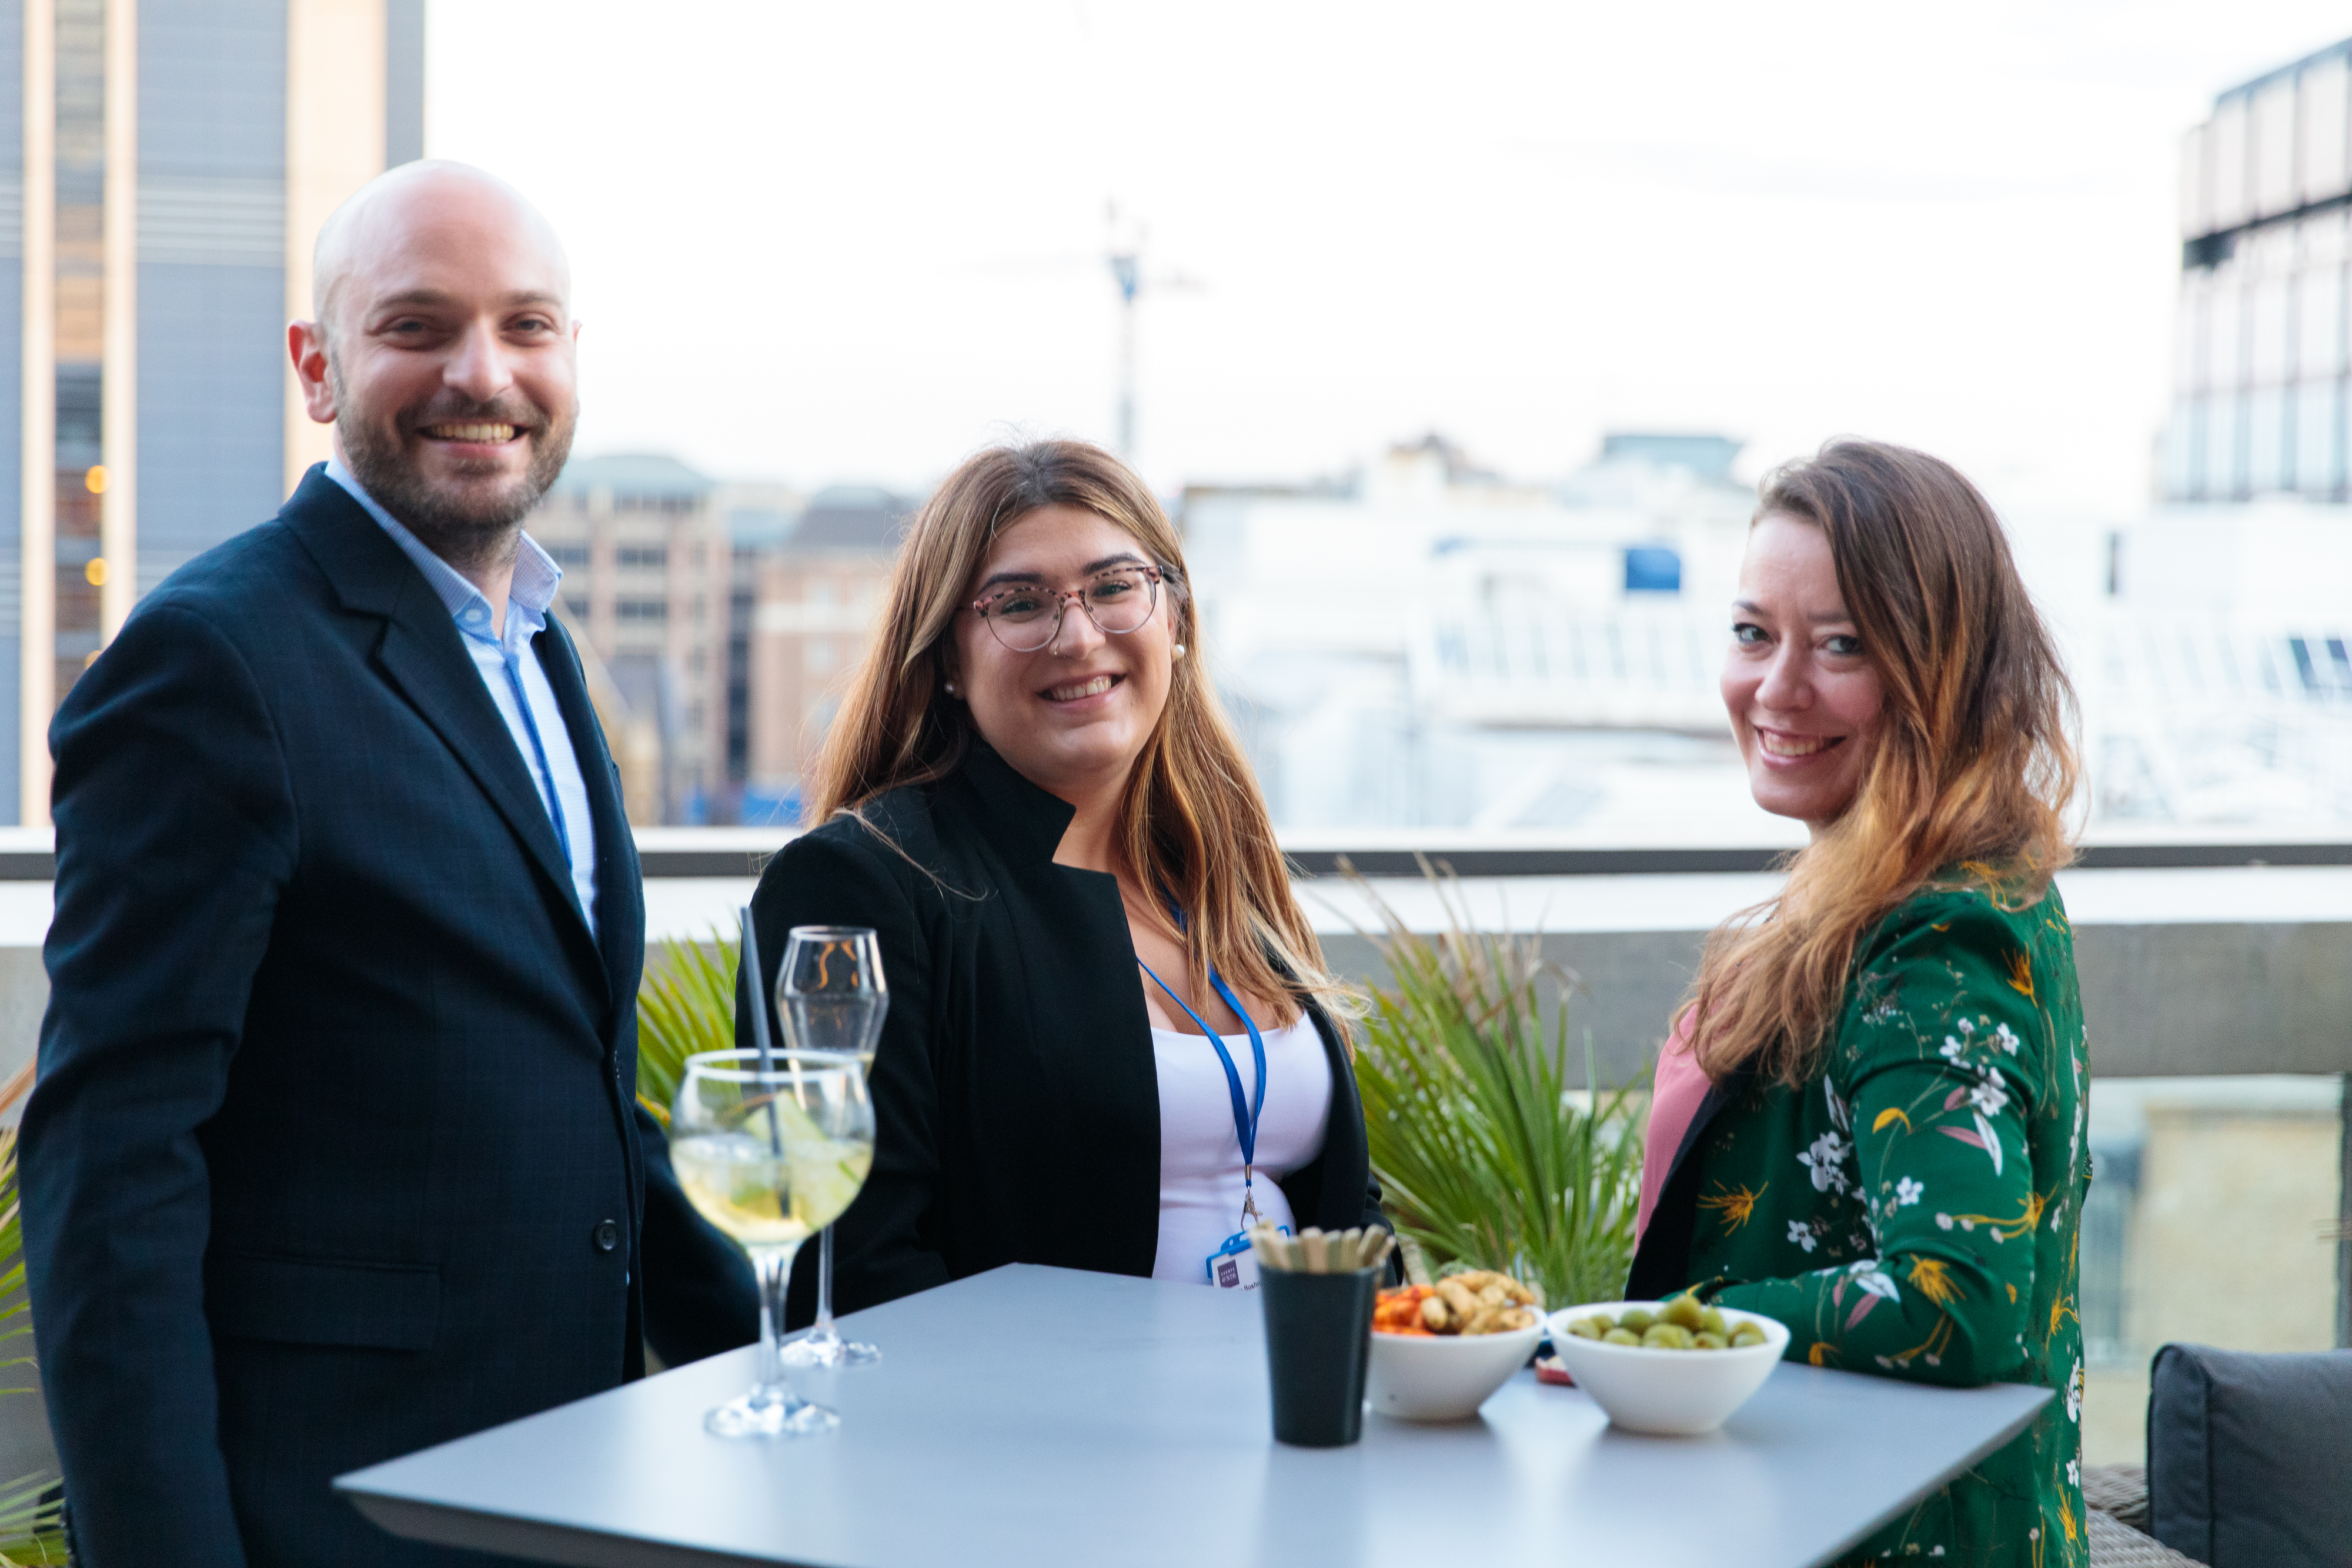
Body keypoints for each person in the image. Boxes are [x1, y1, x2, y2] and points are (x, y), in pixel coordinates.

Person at [21, 162, 757, 1567]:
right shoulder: (212, 660)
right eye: (418, 325)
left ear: (571, 355)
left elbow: (578, 1088)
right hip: (336, 1512)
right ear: (319, 366)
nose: (483, 373)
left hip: (564, 1491)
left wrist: (781, 1360)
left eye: (526, 325)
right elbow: (111, 1164)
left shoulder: (536, 646)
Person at [741, 440, 1385, 1321]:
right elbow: (852, 1273)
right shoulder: (859, 885)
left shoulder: (1216, 859)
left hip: (1300, 1394)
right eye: (1019, 603)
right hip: (1047, 1407)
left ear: (1176, 617)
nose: (1078, 637)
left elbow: (1349, 1209)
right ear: (948, 661)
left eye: (1115, 586)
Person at [1627, 440, 2089, 1566]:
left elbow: (1957, 1294)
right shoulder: (1909, 885)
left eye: (1842, 645)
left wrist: (1668, 1332)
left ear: (1945, 671)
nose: (1777, 688)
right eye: (1754, 633)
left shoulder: (1938, 939)